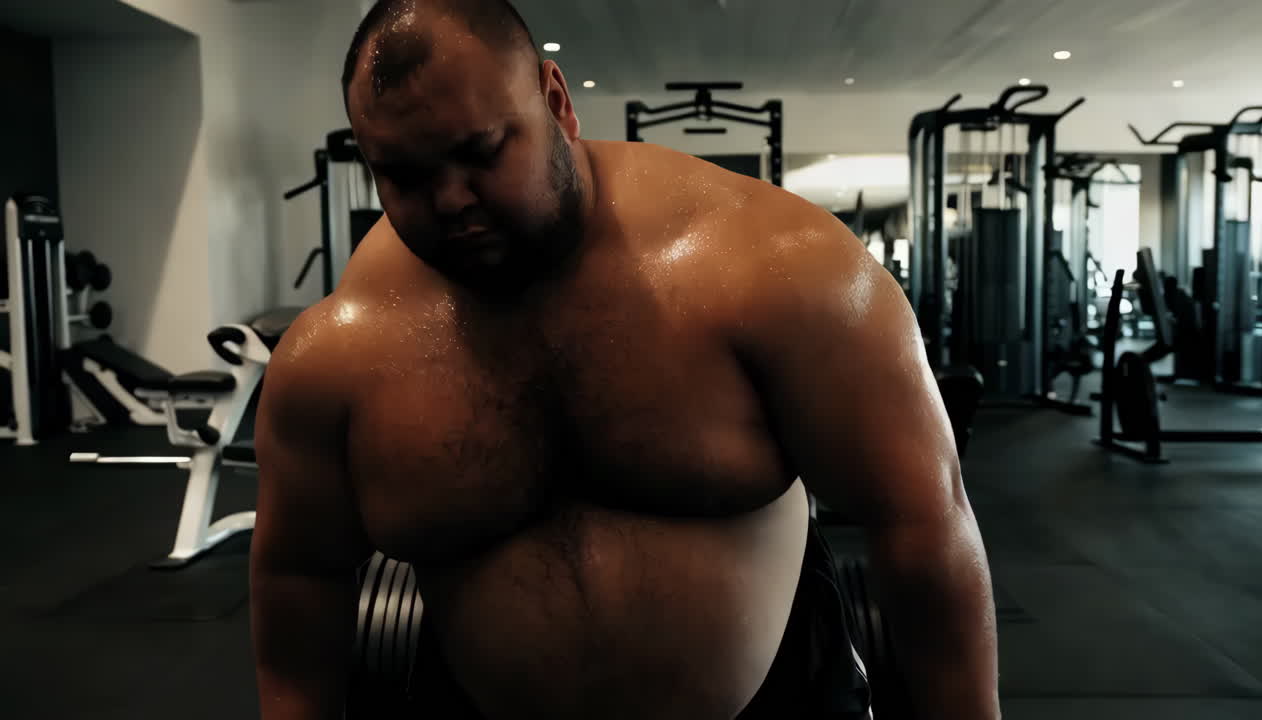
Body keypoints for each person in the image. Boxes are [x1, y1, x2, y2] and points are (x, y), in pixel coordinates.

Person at [250, 1, 1000, 718]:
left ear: (555, 100)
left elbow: (923, 521)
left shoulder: (783, 272)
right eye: (403, 176)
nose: (449, 200)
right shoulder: (340, 354)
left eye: (479, 151)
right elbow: (300, 573)